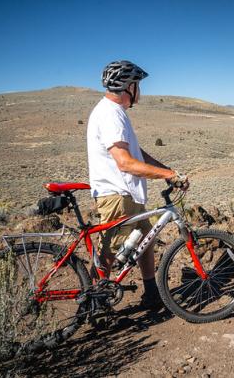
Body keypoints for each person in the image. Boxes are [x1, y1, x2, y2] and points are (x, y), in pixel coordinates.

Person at [86, 60, 187, 309]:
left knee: (146, 239)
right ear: (128, 87)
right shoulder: (111, 114)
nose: (140, 91)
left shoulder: (115, 113)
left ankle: (152, 294)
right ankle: (92, 304)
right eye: (138, 85)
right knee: (110, 251)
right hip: (118, 196)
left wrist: (167, 173)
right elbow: (126, 162)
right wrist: (167, 174)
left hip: (128, 194)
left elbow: (137, 154)